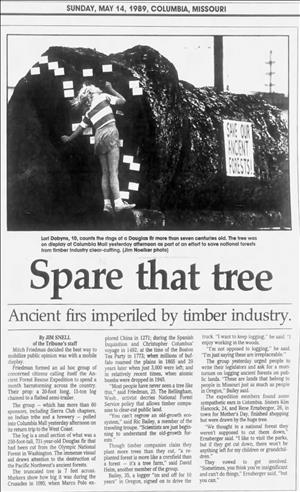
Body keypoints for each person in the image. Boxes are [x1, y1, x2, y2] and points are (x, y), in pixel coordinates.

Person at [61, 81, 135, 213]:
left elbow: (80, 128)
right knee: (114, 172)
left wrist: (69, 138)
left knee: (105, 173)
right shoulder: (103, 96)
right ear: (92, 91)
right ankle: (118, 203)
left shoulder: (88, 113)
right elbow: (123, 100)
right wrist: (111, 88)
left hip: (99, 137)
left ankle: (106, 204)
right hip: (110, 132)